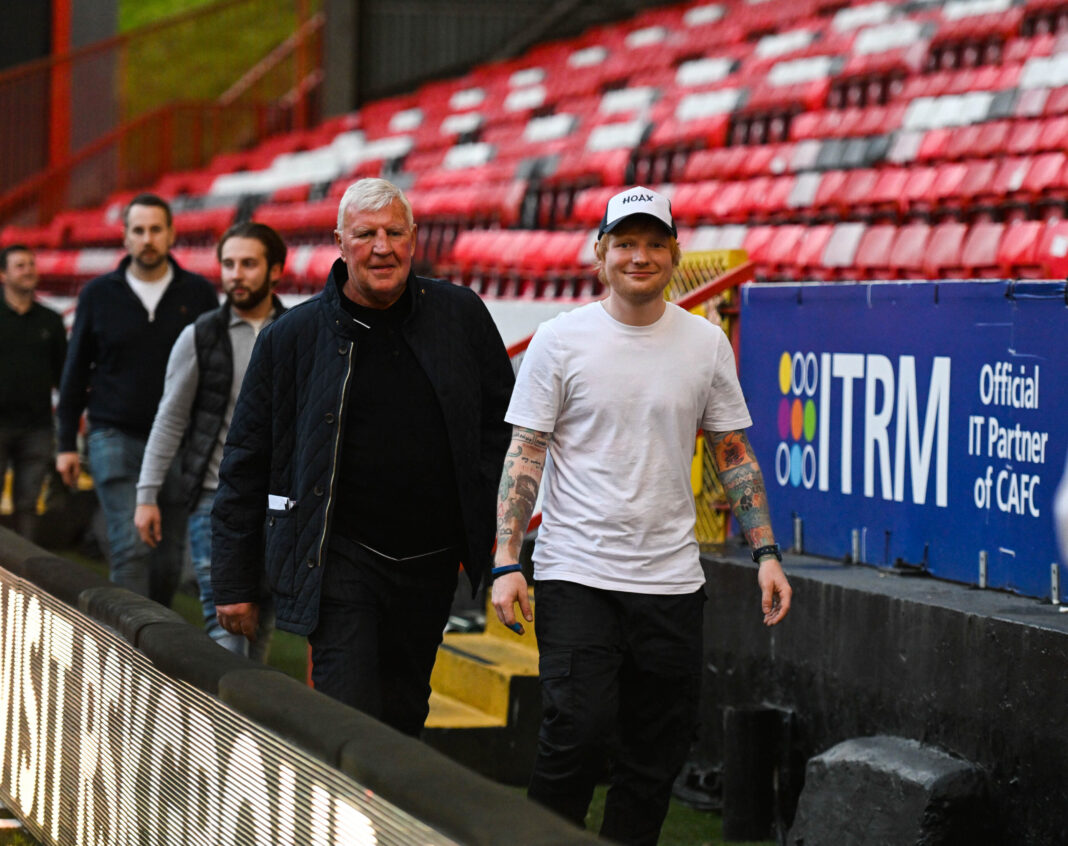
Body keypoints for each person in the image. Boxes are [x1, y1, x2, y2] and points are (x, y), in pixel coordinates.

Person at [492, 186, 793, 845]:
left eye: (655, 243)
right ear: (600, 254)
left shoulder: (706, 342)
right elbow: (526, 452)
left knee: (655, 755)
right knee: (576, 735)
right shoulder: (559, 340)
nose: (640, 256)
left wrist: (766, 553)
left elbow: (733, 452)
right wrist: (507, 560)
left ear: (674, 255)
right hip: (577, 573)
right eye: (625, 243)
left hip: (671, 583)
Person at [211, 177, 514, 736]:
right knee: (345, 718)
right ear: (340, 243)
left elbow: (503, 425)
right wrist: (233, 581)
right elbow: (245, 464)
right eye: (365, 234)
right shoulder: (290, 338)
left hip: (431, 565)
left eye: (394, 233)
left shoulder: (461, 315)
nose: (382, 248)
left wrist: (487, 519)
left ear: (414, 239)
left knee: (403, 719)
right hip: (338, 559)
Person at [55, 193, 219, 606]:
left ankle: (155, 636)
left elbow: (215, 371)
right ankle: (126, 642)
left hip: (180, 442)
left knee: (168, 558)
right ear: (126, 237)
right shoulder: (97, 294)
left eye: (155, 230)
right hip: (113, 435)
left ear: (171, 234)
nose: (147, 238)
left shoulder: (199, 293)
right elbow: (75, 371)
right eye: (139, 230)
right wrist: (65, 444)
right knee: (130, 545)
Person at [134, 222, 287, 657]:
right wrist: (146, 495)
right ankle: (218, 703)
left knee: (259, 629)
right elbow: (170, 419)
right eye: (229, 264)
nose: (236, 274)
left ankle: (241, 704)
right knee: (227, 628)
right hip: (213, 500)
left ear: (275, 270)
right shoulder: (199, 335)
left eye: (249, 264)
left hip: (280, 505)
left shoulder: (300, 332)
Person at [0, 245, 67, 542]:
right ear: (3, 274)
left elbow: (63, 375)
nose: (28, 270)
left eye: (31, 264)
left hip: (37, 427)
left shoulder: (51, 320)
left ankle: (24, 568)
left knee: (28, 506)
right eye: (20, 265)